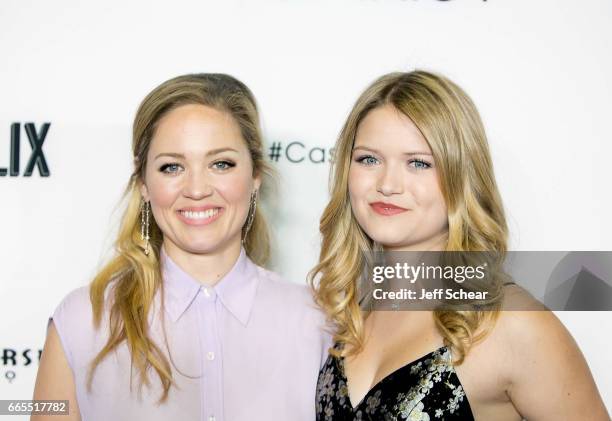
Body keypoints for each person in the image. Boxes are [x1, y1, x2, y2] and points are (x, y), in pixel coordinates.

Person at [310, 70, 609, 420]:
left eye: (418, 163)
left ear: (461, 176)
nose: (388, 184)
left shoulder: (512, 323)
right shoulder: (352, 308)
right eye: (368, 159)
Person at [32, 73, 331, 421]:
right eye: (172, 166)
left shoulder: (319, 322)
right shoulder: (83, 320)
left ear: (255, 176)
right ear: (144, 183)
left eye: (221, 163)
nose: (197, 188)